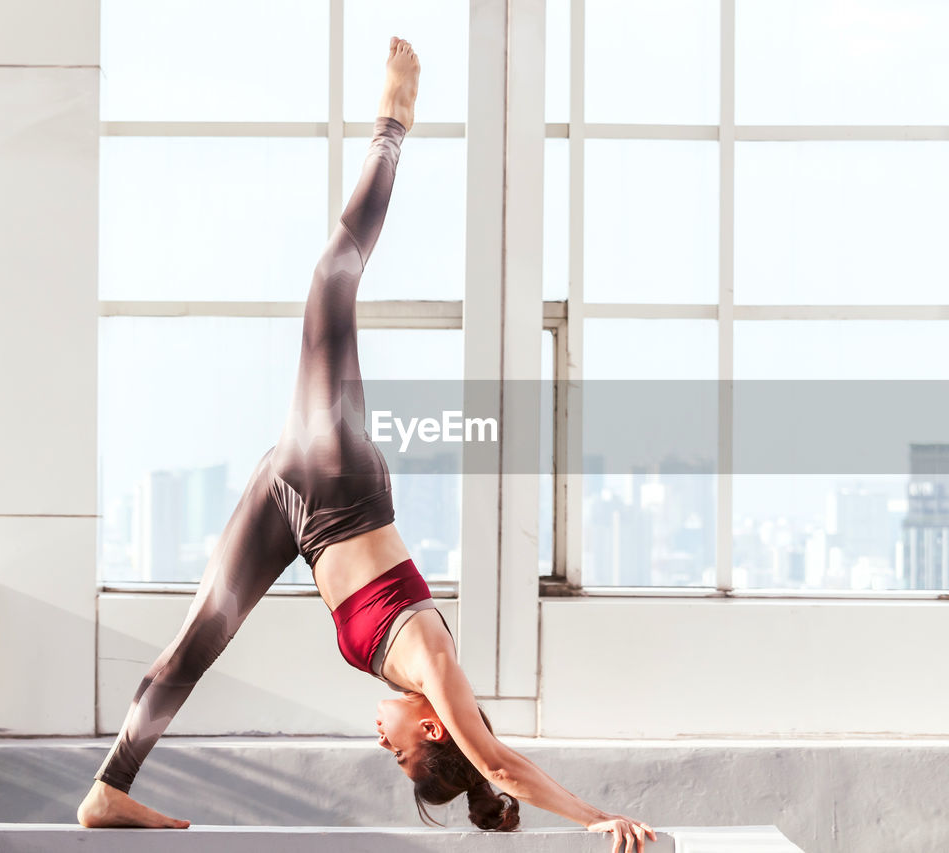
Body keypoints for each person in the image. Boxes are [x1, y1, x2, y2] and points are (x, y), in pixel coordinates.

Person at [76, 36, 656, 853]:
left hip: (297, 512)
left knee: (192, 646)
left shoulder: (413, 677)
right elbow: (498, 763)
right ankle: (395, 122)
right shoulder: (435, 670)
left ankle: (109, 788)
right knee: (331, 279)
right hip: (336, 485)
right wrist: (598, 816)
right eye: (409, 752)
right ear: (433, 724)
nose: (388, 747)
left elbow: (479, 762)